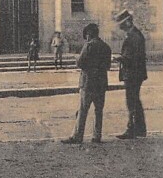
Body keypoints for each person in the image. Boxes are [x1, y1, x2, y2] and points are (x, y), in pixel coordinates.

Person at [62, 23, 112, 144]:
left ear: (89, 34)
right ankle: (97, 136)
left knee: (83, 110)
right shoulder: (106, 47)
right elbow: (108, 66)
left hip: (88, 83)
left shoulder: (88, 46)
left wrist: (77, 59)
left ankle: (77, 136)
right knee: (98, 110)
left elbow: (80, 63)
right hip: (101, 83)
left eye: (87, 35)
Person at [113, 9, 147, 139]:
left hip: (133, 73)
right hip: (134, 73)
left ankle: (132, 129)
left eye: (121, 23)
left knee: (131, 101)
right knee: (135, 100)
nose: (120, 26)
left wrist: (119, 58)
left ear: (127, 22)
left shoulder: (134, 36)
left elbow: (133, 58)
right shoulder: (134, 34)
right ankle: (140, 129)